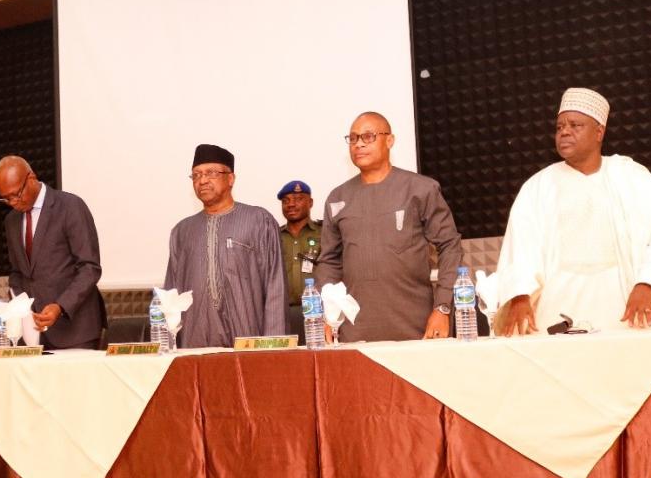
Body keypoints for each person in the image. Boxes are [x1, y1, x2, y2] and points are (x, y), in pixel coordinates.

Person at [494, 88, 651, 335]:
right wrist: (519, 296)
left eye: (575, 125)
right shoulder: (538, 186)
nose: (565, 132)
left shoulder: (630, 178)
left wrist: (645, 283)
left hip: (623, 305)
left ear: (599, 132)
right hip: (557, 306)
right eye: (559, 127)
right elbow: (520, 249)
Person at [315, 112, 463, 342]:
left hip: (417, 326)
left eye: (368, 136)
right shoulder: (337, 198)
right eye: (353, 138)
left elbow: (450, 246)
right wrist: (327, 313)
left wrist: (442, 307)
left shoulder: (420, 189)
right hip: (355, 330)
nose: (359, 144)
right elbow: (329, 262)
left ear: (390, 140)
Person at [164, 144, 286, 347]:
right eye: (196, 175)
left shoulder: (258, 220)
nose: (202, 180)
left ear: (230, 178)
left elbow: (275, 287)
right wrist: (167, 347)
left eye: (211, 173)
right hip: (195, 343)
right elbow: (170, 295)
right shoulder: (182, 231)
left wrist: (273, 346)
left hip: (249, 341)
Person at [0, 156, 106, 349]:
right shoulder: (11, 221)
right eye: (5, 198)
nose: (12, 202)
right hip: (34, 335)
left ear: (31, 178)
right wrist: (21, 307)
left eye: (16, 194)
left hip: (76, 330)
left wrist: (60, 306)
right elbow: (17, 272)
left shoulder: (70, 206)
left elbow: (90, 267)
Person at [277, 180, 322, 336]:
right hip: (283, 314)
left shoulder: (324, 233)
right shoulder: (273, 236)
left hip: (318, 313)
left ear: (310, 202)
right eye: (286, 201)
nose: (290, 204)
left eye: (298, 199)